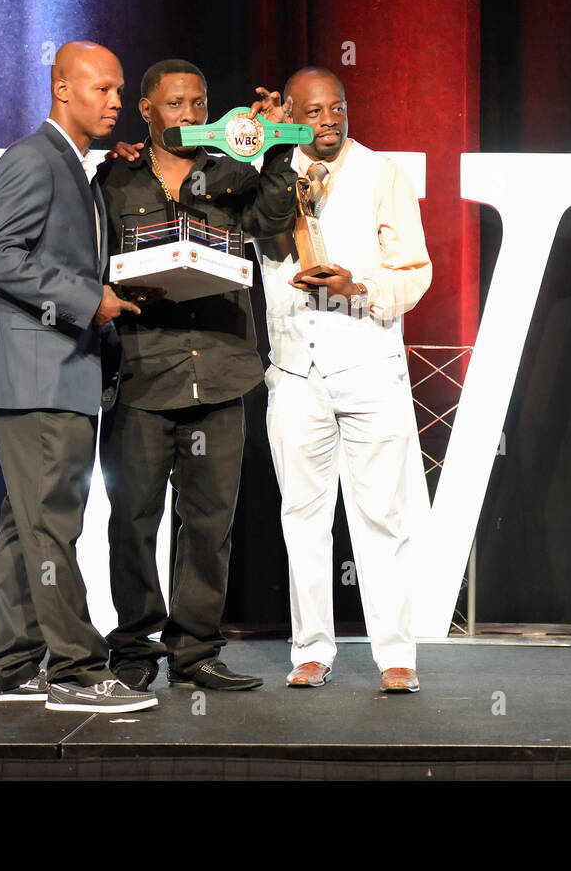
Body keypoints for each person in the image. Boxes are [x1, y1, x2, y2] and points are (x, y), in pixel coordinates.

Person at [97, 59, 297, 691]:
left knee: (210, 522)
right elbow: (88, 255)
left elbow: (273, 225)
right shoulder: (115, 178)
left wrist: (274, 150)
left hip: (221, 369)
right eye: (175, 103)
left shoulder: (229, 171)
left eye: (198, 103)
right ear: (148, 111)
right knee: (133, 520)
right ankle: (133, 651)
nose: (188, 114)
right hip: (144, 373)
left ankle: (195, 653)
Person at [0, 40, 156, 714]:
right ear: (61, 89)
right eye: (102, 89)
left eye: (118, 88)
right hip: (39, 373)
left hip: (57, 372)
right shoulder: (32, 158)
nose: (114, 101)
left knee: (27, 526)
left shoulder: (75, 167)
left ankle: (6, 666)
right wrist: (88, 298)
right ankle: (77, 670)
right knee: (52, 522)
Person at [255, 66, 432, 693]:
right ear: (290, 115)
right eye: (313, 111)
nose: (328, 120)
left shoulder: (382, 174)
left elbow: (415, 272)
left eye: (338, 108)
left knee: (382, 514)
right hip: (295, 369)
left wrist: (359, 285)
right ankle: (311, 649)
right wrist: (263, 139)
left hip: (368, 365)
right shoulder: (268, 174)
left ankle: (395, 654)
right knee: (302, 513)